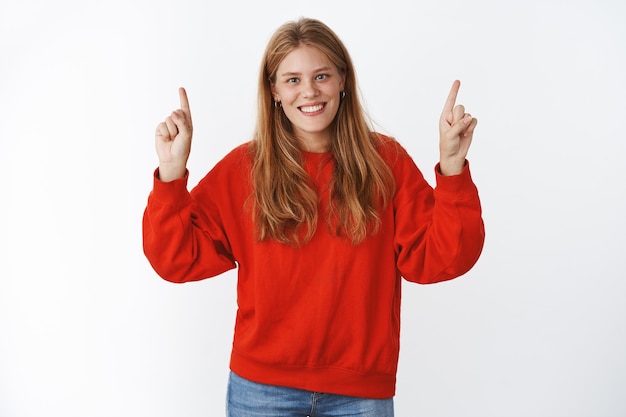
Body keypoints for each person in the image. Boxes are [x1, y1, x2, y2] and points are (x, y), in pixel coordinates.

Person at [143, 17, 484, 417]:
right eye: (292, 79)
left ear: (343, 79)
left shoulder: (385, 163)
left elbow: (441, 258)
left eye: (321, 75)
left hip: (359, 393)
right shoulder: (243, 170)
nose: (309, 91)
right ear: (273, 89)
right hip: (261, 391)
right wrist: (170, 174)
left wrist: (452, 169)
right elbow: (176, 259)